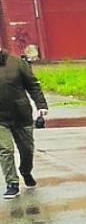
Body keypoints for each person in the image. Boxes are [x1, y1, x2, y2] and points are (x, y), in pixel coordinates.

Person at [0, 49, 48, 199]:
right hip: (1, 119)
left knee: (27, 150)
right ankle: (12, 184)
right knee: (5, 149)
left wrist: (41, 106)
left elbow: (33, 85)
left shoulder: (17, 63)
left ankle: (25, 171)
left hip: (21, 115)